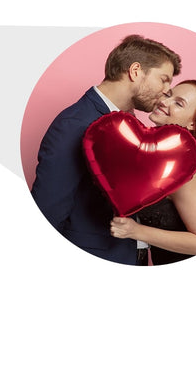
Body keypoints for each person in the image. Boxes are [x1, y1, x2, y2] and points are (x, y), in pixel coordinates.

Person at [31, 34, 180, 265]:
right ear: (135, 71)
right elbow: (48, 212)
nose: (166, 90)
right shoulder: (74, 124)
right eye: (163, 79)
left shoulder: (132, 124)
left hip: (134, 257)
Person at [109, 79, 196, 265]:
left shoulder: (184, 173)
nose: (164, 102)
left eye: (179, 103)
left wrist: (136, 231)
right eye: (169, 95)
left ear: (193, 124)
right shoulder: (158, 157)